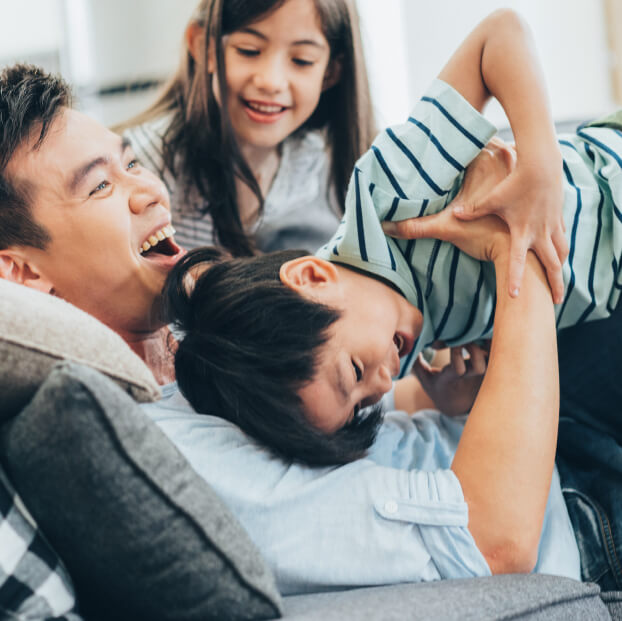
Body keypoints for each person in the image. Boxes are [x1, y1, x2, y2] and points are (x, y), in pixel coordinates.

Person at [0, 10, 618, 596]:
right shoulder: (161, 448)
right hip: (575, 505)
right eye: (101, 185)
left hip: (543, 423)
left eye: (131, 162)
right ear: (21, 271)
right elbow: (491, 541)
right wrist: (522, 245)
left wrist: (430, 394)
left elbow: (349, 411)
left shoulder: (195, 344)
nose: (147, 192)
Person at [163, 6, 622, 452]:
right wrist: (448, 399)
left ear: (312, 278)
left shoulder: (388, 197)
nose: (382, 384)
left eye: (357, 371)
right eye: (364, 403)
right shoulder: (398, 340)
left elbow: (501, 35)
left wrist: (540, 167)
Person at [119, 0, 375, 255]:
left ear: (331, 72)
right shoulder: (144, 165)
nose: (271, 82)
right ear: (203, 47)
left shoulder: (318, 161)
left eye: (302, 60)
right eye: (249, 50)